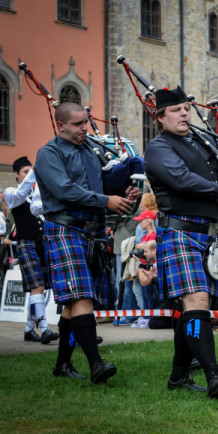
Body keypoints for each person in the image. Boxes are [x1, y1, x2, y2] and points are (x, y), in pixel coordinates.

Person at [144, 86, 218, 398]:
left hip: (208, 235)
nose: (183, 113)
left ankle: (178, 377)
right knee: (197, 302)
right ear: (160, 118)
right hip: (179, 231)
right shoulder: (158, 147)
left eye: (185, 108)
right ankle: (213, 373)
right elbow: (181, 180)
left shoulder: (198, 144)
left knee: (193, 307)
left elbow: (217, 178)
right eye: (175, 110)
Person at [35, 102, 140, 383]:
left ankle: (62, 365)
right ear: (61, 125)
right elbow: (65, 190)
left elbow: (100, 184)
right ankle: (96, 364)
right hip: (65, 229)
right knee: (82, 297)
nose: (85, 128)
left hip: (91, 232)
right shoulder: (48, 154)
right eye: (78, 124)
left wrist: (122, 191)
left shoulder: (90, 152)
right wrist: (107, 200)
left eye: (86, 122)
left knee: (73, 303)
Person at [3, 157, 59, 344]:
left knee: (40, 287)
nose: (28, 175)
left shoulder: (38, 193)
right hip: (25, 243)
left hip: (42, 243)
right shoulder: (12, 192)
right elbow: (20, 195)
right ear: (17, 175)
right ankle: (44, 329)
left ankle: (29, 329)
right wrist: (36, 172)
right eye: (25, 172)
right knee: (37, 285)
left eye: (30, 171)